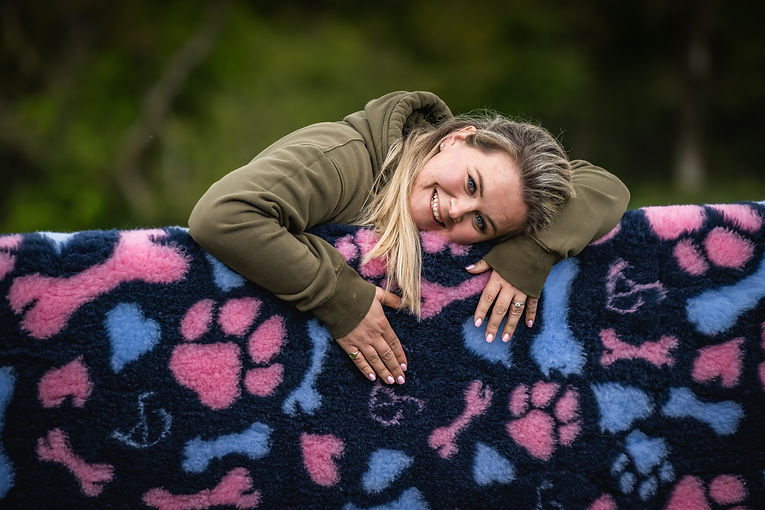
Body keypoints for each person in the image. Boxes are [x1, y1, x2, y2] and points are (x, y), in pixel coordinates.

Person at [188, 90, 630, 387]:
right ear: (457, 138)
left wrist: (532, 251)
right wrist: (340, 297)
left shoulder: (463, 196)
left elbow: (606, 186)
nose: (456, 210)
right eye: (472, 184)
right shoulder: (347, 159)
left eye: (481, 224)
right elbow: (223, 215)